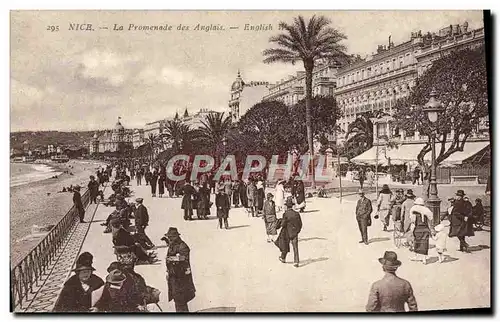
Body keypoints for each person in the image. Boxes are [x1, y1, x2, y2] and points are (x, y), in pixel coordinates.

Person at [163, 228, 196, 312]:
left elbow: (184, 260)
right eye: (169, 237)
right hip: (173, 277)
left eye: (171, 237)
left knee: (181, 299)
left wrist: (172, 259)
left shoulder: (183, 246)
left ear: (176, 236)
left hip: (181, 278)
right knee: (177, 299)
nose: (169, 239)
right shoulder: (172, 245)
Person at [275, 197, 302, 268]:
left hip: (287, 233)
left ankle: (283, 258)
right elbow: (300, 224)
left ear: (286, 206)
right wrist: (297, 231)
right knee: (295, 248)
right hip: (294, 233)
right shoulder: (297, 214)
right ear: (292, 206)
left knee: (285, 245)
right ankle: (296, 261)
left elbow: (283, 224)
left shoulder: (285, 214)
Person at [409, 198, 433, 265]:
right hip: (425, 228)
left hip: (417, 228)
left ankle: (416, 256)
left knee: (417, 242)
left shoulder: (413, 209)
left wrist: (411, 230)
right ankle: (424, 259)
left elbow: (412, 221)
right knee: (424, 243)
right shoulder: (426, 210)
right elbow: (431, 218)